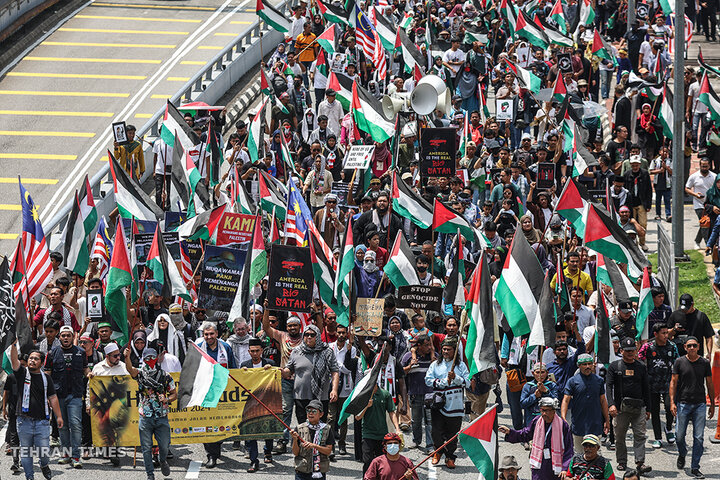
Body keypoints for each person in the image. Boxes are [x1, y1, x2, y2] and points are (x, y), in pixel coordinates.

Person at [10, 343, 63, 480]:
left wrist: (59, 417)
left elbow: (52, 397)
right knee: (26, 452)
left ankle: (44, 465)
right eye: (30, 358)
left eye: (36, 359)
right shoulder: (22, 373)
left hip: (42, 422)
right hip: (24, 421)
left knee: (44, 452)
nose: (32, 360)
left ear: (41, 362)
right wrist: (14, 346)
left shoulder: (46, 378)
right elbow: (15, 362)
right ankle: (29, 477)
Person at [124, 347, 175, 480]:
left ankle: (162, 460)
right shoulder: (140, 374)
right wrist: (127, 357)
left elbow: (174, 394)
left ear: (157, 358)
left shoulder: (165, 376)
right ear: (143, 360)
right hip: (145, 416)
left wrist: (167, 399)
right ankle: (150, 474)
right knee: (146, 448)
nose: (150, 360)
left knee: (164, 445)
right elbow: (130, 369)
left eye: (152, 357)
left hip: (161, 416)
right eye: (147, 358)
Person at [669, 336, 715, 478]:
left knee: (699, 437)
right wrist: (672, 402)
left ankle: (695, 467)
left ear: (698, 347)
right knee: (679, 436)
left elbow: (710, 383)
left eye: (694, 345)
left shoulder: (704, 363)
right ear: (684, 348)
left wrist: (712, 404)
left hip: (700, 404)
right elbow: (673, 383)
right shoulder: (679, 362)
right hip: (683, 404)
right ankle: (682, 454)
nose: (692, 348)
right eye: (689, 346)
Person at [44, 325, 88, 468]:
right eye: (63, 336)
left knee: (75, 424)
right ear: (59, 337)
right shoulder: (52, 353)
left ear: (72, 337)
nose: (66, 338)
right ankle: (66, 454)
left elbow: (85, 369)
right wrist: (47, 396)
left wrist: (90, 374)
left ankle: (76, 456)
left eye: (68, 335)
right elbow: (47, 374)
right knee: (62, 425)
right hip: (58, 395)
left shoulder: (81, 352)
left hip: (75, 394)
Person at [605, 337, 651, 474]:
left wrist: (648, 408)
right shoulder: (614, 366)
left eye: (632, 350)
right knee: (619, 436)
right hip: (620, 409)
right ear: (621, 351)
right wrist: (611, 405)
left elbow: (646, 388)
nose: (630, 353)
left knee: (640, 435)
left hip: (639, 407)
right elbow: (608, 387)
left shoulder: (641, 366)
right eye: (627, 350)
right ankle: (622, 461)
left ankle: (640, 462)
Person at [499, 397, 573, 480]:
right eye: (542, 410)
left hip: (556, 467)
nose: (544, 413)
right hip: (539, 465)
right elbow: (525, 434)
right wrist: (510, 432)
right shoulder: (537, 421)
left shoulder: (563, 425)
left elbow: (569, 449)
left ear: (554, 411)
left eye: (547, 410)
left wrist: (565, 468)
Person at [424, 337, 471, 469]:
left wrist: (455, 378)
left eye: (448, 349)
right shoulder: (435, 365)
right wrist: (444, 381)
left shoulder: (461, 366)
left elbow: (467, 382)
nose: (445, 351)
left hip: (455, 405)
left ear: (454, 351)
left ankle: (450, 457)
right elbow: (428, 380)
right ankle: (438, 452)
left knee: (452, 434)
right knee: (436, 432)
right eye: (443, 349)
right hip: (438, 404)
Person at [195, 321, 236, 466]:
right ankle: (210, 455)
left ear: (217, 334)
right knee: (207, 423)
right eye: (206, 334)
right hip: (205, 392)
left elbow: (233, 368)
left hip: (223, 392)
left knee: (219, 422)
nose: (209, 337)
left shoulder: (225, 348)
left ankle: (216, 449)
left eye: (212, 334)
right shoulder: (199, 349)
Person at [282, 324, 340, 423]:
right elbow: (289, 371)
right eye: (306, 334)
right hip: (301, 396)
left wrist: (334, 390)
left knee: (319, 425)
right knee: (302, 426)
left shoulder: (326, 351)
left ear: (317, 336)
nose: (309, 337)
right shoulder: (296, 351)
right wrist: (281, 372)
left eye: (312, 335)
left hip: (321, 396)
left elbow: (335, 371)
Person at [637, 322, 678, 448]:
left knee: (669, 407)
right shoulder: (647, 347)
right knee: (654, 411)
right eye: (663, 333)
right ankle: (658, 438)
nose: (666, 335)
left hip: (668, 383)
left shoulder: (672, 346)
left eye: (667, 332)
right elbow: (638, 361)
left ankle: (669, 429)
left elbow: (678, 363)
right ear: (655, 334)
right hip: (652, 384)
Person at [561, 354, 610, 452]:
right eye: (584, 364)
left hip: (595, 425)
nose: (587, 366)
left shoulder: (599, 381)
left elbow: (603, 401)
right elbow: (566, 400)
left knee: (595, 455)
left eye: (589, 364)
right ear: (579, 365)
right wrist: (563, 418)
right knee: (579, 455)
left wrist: (607, 420)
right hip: (579, 425)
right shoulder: (572, 381)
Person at [241, 338, 276, 472]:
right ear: (249, 352)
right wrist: (242, 374)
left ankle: (268, 451)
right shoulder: (245, 365)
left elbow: (278, 375)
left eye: (257, 351)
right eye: (252, 351)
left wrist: (271, 369)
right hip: (250, 404)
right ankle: (253, 460)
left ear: (262, 351)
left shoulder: (270, 363)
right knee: (251, 433)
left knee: (268, 429)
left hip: (267, 402)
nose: (255, 353)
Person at [356, 381, 401, 474]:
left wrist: (397, 429)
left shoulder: (385, 394)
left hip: (382, 434)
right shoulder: (363, 395)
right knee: (368, 461)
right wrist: (366, 406)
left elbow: (391, 412)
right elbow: (357, 417)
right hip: (368, 434)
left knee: (382, 462)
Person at [291, 399, 334, 480]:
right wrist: (294, 439)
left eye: (314, 411)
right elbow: (295, 453)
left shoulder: (327, 429)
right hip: (302, 471)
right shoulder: (299, 428)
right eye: (308, 410)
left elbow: (328, 451)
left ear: (321, 414)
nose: (310, 413)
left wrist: (314, 446)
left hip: (319, 472)